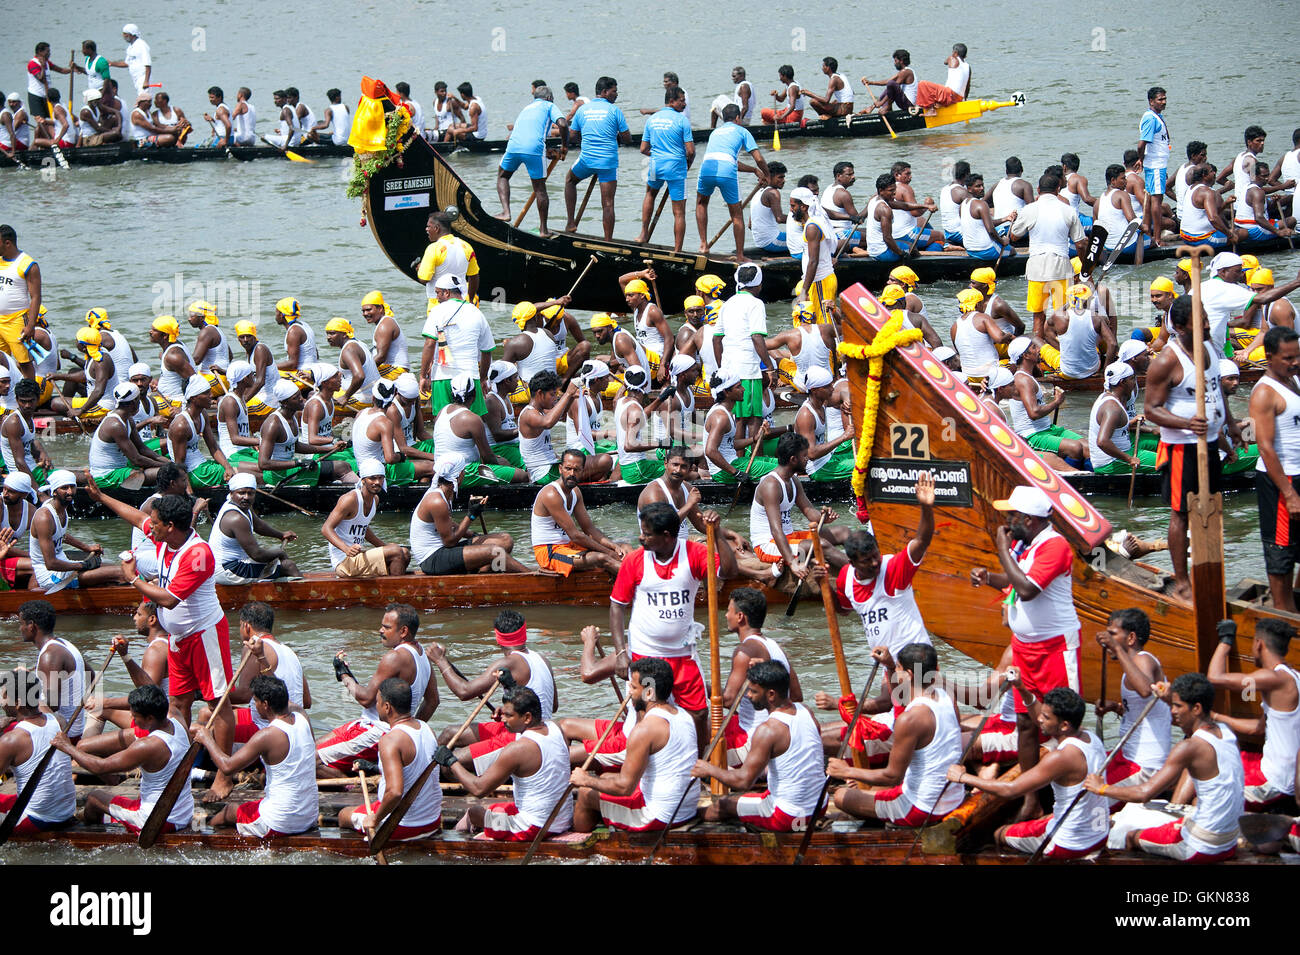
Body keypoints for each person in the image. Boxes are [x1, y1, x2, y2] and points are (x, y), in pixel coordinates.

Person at [969, 485, 1081, 817]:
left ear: (1029, 520)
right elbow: (1015, 579)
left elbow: (1028, 589)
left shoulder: (1055, 546)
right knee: (1026, 723)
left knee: (1063, 723)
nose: (1007, 521)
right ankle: (1031, 800)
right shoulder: (1028, 544)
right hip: (1025, 649)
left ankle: (1070, 793)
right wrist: (989, 576)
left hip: (1055, 649)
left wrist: (1001, 548)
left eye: (1012, 516)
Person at [608, 502, 735, 746]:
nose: (640, 537)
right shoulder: (635, 560)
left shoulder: (694, 553)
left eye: (646, 533)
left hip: (683, 652)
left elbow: (729, 571)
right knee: (645, 712)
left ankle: (697, 764)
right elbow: (616, 606)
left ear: (666, 536)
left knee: (699, 712)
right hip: (646, 655)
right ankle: (645, 765)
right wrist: (621, 653)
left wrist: (717, 533)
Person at [1085, 673, 1244, 862]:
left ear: (1197, 708)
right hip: (1229, 840)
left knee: (1129, 836)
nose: (1173, 712)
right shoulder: (1226, 731)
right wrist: (1168, 697)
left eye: (1177, 706)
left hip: (1202, 847)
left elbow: (1145, 793)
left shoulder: (1188, 747)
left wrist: (1101, 788)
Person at [1144, 295, 1241, 599]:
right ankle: (1182, 579)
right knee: (1182, 512)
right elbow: (1151, 410)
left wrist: (1232, 423)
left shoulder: (1210, 346)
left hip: (1211, 443)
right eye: (1201, 322)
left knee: (1209, 508)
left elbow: (1217, 390)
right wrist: (1187, 424)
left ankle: (1208, 570)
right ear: (1182, 327)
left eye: (1207, 318)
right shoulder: (1167, 361)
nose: (1208, 325)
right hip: (1181, 448)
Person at [952, 684, 1109, 857]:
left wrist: (964, 777)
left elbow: (1010, 790)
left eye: (1046, 717)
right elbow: (1038, 715)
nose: (1039, 719)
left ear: (1064, 725)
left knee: (999, 833)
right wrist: (1023, 690)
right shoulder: (1090, 737)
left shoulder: (1061, 757)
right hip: (1099, 833)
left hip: (1070, 842)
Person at [827, 643, 964, 824]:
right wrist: (891, 666)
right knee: (870, 790)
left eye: (898, 668)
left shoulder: (909, 719)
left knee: (841, 796)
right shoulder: (947, 696)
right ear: (936, 669)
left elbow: (892, 776)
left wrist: (847, 770)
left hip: (920, 808)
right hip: (954, 798)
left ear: (908, 674)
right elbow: (903, 699)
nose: (896, 672)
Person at [691, 660, 824, 830]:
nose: (748, 696)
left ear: (771, 695)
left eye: (753, 691)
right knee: (756, 794)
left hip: (789, 817)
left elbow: (743, 782)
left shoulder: (767, 730)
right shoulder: (806, 711)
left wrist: (708, 769)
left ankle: (685, 824)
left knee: (722, 805)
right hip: (820, 806)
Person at [570, 656, 699, 832]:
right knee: (607, 777)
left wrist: (585, 780)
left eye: (633, 687)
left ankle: (579, 846)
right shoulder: (684, 716)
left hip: (657, 816)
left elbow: (624, 787)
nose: (629, 692)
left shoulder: (644, 730)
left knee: (585, 793)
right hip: (686, 808)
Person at [52, 684, 193, 835]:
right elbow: (149, 689)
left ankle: (91, 838)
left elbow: (100, 767)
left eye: (135, 716)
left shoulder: (148, 745)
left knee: (94, 798)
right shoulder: (176, 715)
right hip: (184, 813)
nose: (131, 718)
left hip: (155, 822)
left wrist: (67, 747)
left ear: (150, 718)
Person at [438, 685, 574, 840]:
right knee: (497, 808)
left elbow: (478, 789)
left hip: (532, 828)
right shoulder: (556, 727)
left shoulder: (517, 749)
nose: (502, 719)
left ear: (527, 718)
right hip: (563, 818)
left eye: (508, 715)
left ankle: (453, 848)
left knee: (475, 813)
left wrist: (451, 760)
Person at [317, 604, 438, 778]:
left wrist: (343, 674)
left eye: (387, 627)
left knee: (306, 759)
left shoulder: (394, 657)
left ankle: (350, 788)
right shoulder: (423, 656)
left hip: (376, 731)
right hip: (377, 728)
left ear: (403, 631)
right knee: (310, 748)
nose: (380, 630)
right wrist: (407, 731)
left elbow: (366, 699)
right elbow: (433, 701)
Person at [196, 672, 318, 839]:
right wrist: (261, 656)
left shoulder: (267, 735)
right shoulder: (302, 717)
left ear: (265, 704)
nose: (254, 705)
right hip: (310, 815)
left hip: (279, 822)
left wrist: (207, 738)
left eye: (255, 701)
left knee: (227, 812)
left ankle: (208, 845)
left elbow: (227, 766)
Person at [429, 608, 557, 767]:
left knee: (453, 762)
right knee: (449, 733)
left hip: (521, 736)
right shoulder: (543, 659)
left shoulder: (509, 663)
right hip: (528, 726)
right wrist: (513, 710)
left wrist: (440, 660)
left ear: (498, 638)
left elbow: (464, 692)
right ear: (524, 634)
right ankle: (426, 769)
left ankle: (434, 779)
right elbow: (553, 706)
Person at [826, 474, 935, 660]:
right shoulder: (846, 576)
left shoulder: (893, 567)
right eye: (867, 561)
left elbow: (922, 540)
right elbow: (843, 610)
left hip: (918, 660)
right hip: (885, 661)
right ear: (852, 563)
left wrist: (926, 507)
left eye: (875, 555)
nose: (875, 563)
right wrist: (825, 584)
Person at [1206, 618, 1299, 811]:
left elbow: (1215, 678)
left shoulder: (1272, 678)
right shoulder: (1293, 676)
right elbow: (1258, 729)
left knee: (1208, 792)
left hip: (1273, 780)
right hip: (1284, 773)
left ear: (1259, 644)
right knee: (1211, 758)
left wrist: (1226, 640)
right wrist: (1215, 717)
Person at [337, 677, 443, 842]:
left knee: (343, 815)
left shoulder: (390, 740)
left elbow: (395, 792)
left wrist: (375, 819)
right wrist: (374, 767)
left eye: (377, 702)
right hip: (433, 821)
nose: (376, 706)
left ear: (387, 707)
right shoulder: (427, 728)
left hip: (401, 827)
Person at [1092, 608, 1169, 799]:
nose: (1107, 640)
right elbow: (1144, 707)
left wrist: (1117, 648)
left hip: (1145, 765)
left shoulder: (1143, 659)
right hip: (1128, 755)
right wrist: (1115, 707)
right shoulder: (1132, 664)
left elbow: (1144, 690)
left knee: (1090, 799)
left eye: (1113, 634)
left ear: (1131, 638)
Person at [1249, 327, 1300, 611]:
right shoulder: (1264, 393)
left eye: (1297, 356)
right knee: (1281, 551)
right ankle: (1283, 612)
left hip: (1297, 475)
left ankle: (1293, 603)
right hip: (1281, 481)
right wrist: (1289, 493)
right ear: (1269, 357)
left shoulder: (1294, 381)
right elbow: (1265, 447)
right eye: (1288, 358)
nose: (1295, 362)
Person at [409, 452, 525, 576]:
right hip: (433, 559)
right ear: (459, 475)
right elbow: (449, 541)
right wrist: (471, 515)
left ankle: (485, 574)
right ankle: (532, 576)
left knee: (504, 540)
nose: (464, 474)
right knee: (494, 551)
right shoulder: (437, 501)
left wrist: (474, 536)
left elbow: (448, 524)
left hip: (445, 550)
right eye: (463, 471)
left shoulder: (445, 494)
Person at [1010, 173, 1087, 338]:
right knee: (1063, 314)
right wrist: (1085, 268)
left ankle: (1039, 354)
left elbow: (1014, 236)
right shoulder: (1068, 211)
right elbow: (1080, 243)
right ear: (1058, 190)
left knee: (1038, 316)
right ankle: (1064, 349)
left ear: (1038, 189)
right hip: (1060, 265)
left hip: (1037, 267)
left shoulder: (1029, 209)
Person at [0, 667, 75, 834]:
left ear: (18, 703)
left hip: (37, 820)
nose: (1, 701)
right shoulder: (59, 721)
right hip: (66, 812)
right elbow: (40, 705)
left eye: (4, 696)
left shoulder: (11, 740)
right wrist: (26, 679)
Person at [531, 448, 627, 576]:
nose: (572, 473)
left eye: (576, 470)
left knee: (624, 548)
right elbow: (575, 535)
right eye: (568, 468)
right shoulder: (551, 494)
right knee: (602, 558)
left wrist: (613, 547)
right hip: (549, 553)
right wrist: (608, 552)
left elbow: (589, 529)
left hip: (569, 547)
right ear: (560, 469)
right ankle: (642, 583)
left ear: (583, 471)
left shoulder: (576, 492)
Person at [695, 104, 769, 261]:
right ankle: (741, 256)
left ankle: (703, 245)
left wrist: (754, 170)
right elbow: (759, 158)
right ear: (737, 118)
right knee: (737, 215)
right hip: (726, 172)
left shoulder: (715, 132)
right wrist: (767, 175)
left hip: (706, 168)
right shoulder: (742, 131)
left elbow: (729, 160)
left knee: (701, 203)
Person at [562, 76, 630, 238]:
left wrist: (585, 140)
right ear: (605, 92)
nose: (617, 94)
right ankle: (608, 241)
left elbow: (572, 136)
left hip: (587, 160)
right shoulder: (615, 111)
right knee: (608, 204)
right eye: (614, 91)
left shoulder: (583, 110)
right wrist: (616, 138)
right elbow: (627, 139)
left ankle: (570, 223)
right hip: (607, 162)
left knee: (570, 181)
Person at [1004, 337, 1088, 466]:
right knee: (1075, 448)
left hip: (1048, 429)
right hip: (1033, 435)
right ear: (1025, 355)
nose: (1038, 350)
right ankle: (1073, 477)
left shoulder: (1029, 375)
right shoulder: (1023, 380)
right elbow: (1034, 413)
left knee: (1089, 448)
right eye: (1033, 347)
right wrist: (1056, 402)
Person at [713, 264, 773, 443]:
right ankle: (753, 460)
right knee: (754, 419)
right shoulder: (756, 304)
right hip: (748, 370)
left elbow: (716, 340)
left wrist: (722, 368)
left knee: (738, 419)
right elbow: (756, 337)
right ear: (759, 284)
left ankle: (737, 458)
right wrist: (770, 367)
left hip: (730, 371)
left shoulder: (727, 304)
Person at [29, 470, 118, 591]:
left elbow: (62, 535)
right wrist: (82, 565)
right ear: (54, 491)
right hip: (50, 576)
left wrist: (87, 548)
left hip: (63, 565)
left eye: (72, 487)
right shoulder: (44, 517)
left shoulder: (61, 508)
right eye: (64, 488)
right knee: (119, 572)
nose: (70, 492)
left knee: (113, 566)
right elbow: (50, 564)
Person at [420, 273, 494, 417]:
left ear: (446, 292)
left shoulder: (436, 311)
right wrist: (483, 378)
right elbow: (486, 351)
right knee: (474, 421)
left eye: (438, 293)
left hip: (442, 377)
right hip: (470, 377)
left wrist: (423, 376)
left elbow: (429, 344)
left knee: (443, 422)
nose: (436, 297)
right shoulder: (477, 312)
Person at [323, 460, 410, 578]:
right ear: (363, 480)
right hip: (344, 561)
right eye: (372, 478)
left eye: (380, 478)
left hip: (359, 556)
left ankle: (391, 589)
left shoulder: (375, 500)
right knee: (396, 552)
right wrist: (346, 549)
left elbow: (364, 529)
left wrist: (383, 546)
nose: (377, 482)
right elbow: (326, 529)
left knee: (404, 552)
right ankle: (395, 593)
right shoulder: (350, 499)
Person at [498, 86, 567, 234]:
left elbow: (529, 131)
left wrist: (547, 151)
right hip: (534, 148)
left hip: (513, 146)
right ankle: (543, 230)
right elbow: (562, 124)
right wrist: (565, 147)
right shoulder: (549, 105)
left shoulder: (527, 108)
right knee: (540, 189)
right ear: (549, 98)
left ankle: (505, 212)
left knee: (503, 176)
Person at [207, 473, 298, 584]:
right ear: (231, 493)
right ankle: (306, 597)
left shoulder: (243, 506)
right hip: (228, 571)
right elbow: (257, 555)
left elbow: (258, 526)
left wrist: (281, 535)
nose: (246, 497)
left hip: (230, 565)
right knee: (288, 565)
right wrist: (279, 553)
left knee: (274, 558)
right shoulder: (236, 518)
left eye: (250, 493)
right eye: (241, 493)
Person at [261, 379, 354, 486]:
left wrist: (331, 448)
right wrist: (298, 463)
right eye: (295, 398)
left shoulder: (293, 416)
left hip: (289, 467)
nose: (302, 399)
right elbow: (263, 463)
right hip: (277, 475)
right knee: (342, 467)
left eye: (300, 395)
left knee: (343, 464)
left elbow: (296, 447)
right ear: (284, 403)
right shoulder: (273, 424)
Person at [87, 382, 168, 488]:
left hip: (121, 467)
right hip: (105, 475)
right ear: (134, 401)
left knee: (168, 465)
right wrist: (166, 467)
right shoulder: (115, 425)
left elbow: (142, 448)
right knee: (167, 473)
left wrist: (167, 462)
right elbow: (136, 459)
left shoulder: (128, 419)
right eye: (139, 400)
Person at [703, 369, 777, 483]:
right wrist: (735, 472)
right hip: (723, 471)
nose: (743, 389)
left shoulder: (728, 412)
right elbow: (710, 451)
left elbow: (730, 445)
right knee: (783, 469)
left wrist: (754, 439)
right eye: (738, 387)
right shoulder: (720, 417)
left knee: (779, 462)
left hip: (733, 463)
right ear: (726, 392)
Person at [168, 378, 235, 491]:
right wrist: (189, 496)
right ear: (193, 398)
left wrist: (228, 467)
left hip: (203, 465)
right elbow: (179, 465)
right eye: (206, 393)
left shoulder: (202, 414)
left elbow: (213, 447)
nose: (211, 395)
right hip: (193, 473)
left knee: (238, 466)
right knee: (244, 472)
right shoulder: (181, 426)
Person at [1087, 362, 1153, 474]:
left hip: (1122, 451)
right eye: (1132, 379)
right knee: (1168, 462)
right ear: (1123, 382)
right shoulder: (1112, 408)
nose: (1134, 383)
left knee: (1160, 444)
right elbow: (1102, 442)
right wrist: (1129, 459)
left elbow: (1115, 429)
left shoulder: (1107, 397)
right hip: (1111, 462)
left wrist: (1131, 422)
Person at [1041, 283, 1117, 378]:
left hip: (1067, 373)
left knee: (1037, 341)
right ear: (1088, 300)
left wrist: (1068, 303)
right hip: (1093, 369)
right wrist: (1106, 369)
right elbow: (1113, 343)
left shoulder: (1059, 317)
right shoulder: (1097, 318)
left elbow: (1046, 332)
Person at [518, 371, 580, 483]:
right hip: (542, 473)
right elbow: (548, 422)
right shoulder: (529, 414)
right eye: (552, 394)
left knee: (586, 460)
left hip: (550, 467)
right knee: (603, 461)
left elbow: (559, 414)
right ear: (540, 393)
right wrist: (567, 394)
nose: (555, 398)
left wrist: (571, 397)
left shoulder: (541, 411)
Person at [789, 187, 839, 322]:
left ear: (804, 207)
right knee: (818, 322)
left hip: (821, 281)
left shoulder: (812, 227)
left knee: (826, 325)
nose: (791, 210)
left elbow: (813, 261)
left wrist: (804, 290)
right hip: (818, 281)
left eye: (793, 206)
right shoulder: (811, 223)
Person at [0, 224, 40, 378]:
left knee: (24, 362)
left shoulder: (28, 264)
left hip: (17, 319)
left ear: (7, 243)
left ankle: (30, 396)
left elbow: (36, 297)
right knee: (1, 360)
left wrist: (31, 325)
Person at [1135, 87, 1171, 243]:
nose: (1164, 102)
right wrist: (1140, 160)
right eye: (1160, 99)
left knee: (1152, 199)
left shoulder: (1157, 116)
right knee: (1156, 201)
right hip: (1155, 164)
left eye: (1164, 99)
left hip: (1159, 164)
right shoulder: (1150, 118)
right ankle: (1157, 238)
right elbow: (1141, 144)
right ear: (1151, 101)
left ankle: (1150, 234)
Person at [1, 379, 53, 485]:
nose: (27, 406)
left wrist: (42, 452)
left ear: (38, 399)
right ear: (16, 400)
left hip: (32, 469)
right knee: (77, 477)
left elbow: (29, 441)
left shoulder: (28, 416)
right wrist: (37, 491)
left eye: (31, 401)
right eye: (23, 401)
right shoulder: (14, 422)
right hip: (21, 475)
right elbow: (19, 462)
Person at [1235, 161, 1296, 241]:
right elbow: (1259, 218)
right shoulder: (1258, 192)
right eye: (1264, 176)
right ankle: (1281, 236)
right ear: (1254, 176)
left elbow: (1261, 203)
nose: (1267, 179)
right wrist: (1278, 232)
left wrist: (1273, 201)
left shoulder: (1247, 186)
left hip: (1241, 225)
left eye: (1268, 175)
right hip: (1255, 230)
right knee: (1291, 221)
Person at [958, 173, 1014, 261]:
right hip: (986, 250)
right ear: (969, 189)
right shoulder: (981, 204)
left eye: (982, 185)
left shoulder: (962, 205)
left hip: (970, 250)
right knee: (1012, 250)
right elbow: (991, 230)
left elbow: (983, 224)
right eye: (978, 186)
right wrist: (1003, 241)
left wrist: (1005, 218)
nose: (982, 188)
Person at [148, 314, 196, 407]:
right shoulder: (173, 347)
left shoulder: (173, 356)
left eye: (154, 330)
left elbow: (194, 381)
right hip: (168, 398)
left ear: (165, 335)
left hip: (175, 403)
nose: (150, 332)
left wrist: (184, 409)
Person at [360, 290, 410, 376]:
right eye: (363, 311)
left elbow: (381, 357)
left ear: (380, 308)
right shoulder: (384, 322)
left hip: (395, 370)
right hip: (389, 368)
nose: (365, 314)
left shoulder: (385, 325)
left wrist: (361, 372)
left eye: (368, 310)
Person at [860, 49, 918, 113]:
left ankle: (887, 107)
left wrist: (881, 103)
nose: (894, 63)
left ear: (901, 61)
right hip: (903, 103)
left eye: (896, 61)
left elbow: (892, 86)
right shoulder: (903, 71)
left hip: (908, 105)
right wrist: (871, 82)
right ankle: (872, 107)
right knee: (890, 85)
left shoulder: (906, 72)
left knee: (891, 85)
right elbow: (888, 81)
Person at [748, 161, 787, 253]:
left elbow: (750, 225)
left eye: (784, 177)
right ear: (769, 177)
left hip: (759, 242)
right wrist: (802, 219)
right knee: (810, 238)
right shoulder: (773, 193)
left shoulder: (758, 193)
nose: (783, 180)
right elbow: (780, 218)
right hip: (772, 241)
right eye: (780, 177)